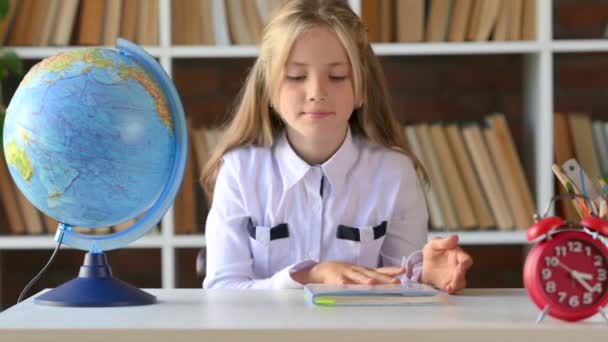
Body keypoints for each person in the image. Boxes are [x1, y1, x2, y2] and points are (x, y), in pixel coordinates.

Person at [201, 0, 472, 293]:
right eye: (296, 76)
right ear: (268, 89)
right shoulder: (240, 171)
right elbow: (222, 290)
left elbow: (400, 286)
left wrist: (426, 278)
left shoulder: (395, 172)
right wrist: (309, 277)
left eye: (337, 76)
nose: (317, 92)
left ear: (362, 89)